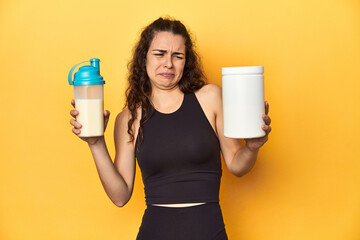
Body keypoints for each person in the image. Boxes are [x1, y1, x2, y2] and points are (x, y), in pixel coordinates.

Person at [69, 17, 272, 240]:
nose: (168, 63)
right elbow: (120, 196)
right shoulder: (128, 118)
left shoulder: (211, 98)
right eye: (160, 54)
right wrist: (96, 143)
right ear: (143, 57)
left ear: (187, 62)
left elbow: (237, 165)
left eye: (178, 56)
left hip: (208, 232)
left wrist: (252, 147)